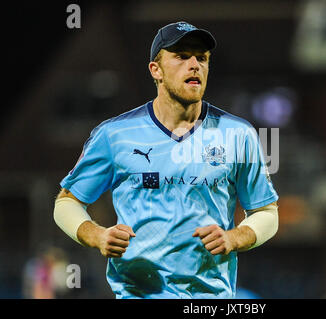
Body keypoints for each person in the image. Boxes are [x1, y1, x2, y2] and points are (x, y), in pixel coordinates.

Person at [53, 21, 279, 299]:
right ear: (155, 70)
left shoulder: (237, 134)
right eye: (182, 56)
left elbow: (266, 213)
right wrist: (97, 235)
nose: (195, 64)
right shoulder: (115, 135)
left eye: (202, 58)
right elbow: (67, 202)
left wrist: (234, 237)